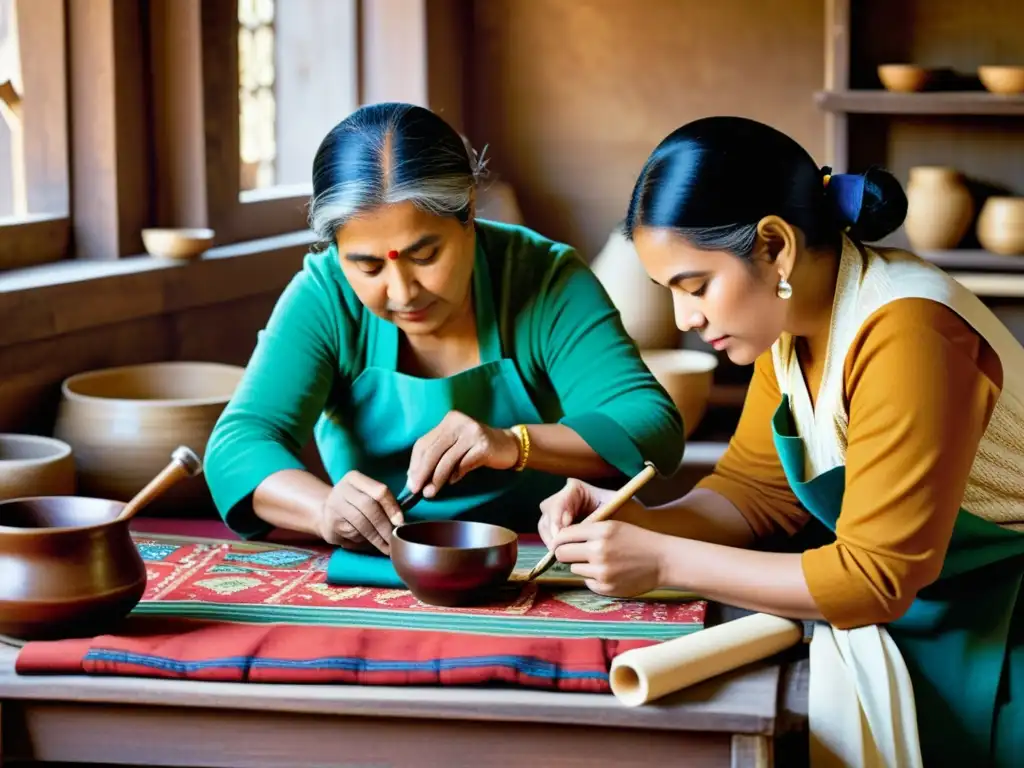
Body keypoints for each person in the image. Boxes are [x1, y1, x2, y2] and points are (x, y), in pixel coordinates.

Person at [539, 116, 1024, 767]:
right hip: (935, 622)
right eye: (672, 293)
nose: (686, 318)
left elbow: (875, 578)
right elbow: (754, 495)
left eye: (696, 286)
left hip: (1004, 633)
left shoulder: (910, 333)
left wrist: (661, 561)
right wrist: (635, 520)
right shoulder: (789, 327)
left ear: (774, 246)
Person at [204, 102, 684, 557]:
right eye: (368, 266)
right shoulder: (326, 294)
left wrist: (511, 444)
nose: (403, 291)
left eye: (425, 255)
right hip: (384, 563)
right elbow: (238, 445)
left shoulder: (543, 277)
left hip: (547, 554)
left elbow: (650, 424)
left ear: (469, 213)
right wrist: (323, 510)